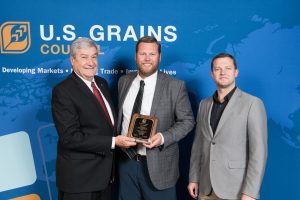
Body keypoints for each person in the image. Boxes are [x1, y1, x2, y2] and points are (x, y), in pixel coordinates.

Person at [52, 37, 136, 200]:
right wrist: (114, 142)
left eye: (94, 56)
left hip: (104, 178)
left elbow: (106, 126)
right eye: (84, 57)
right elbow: (70, 138)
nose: (90, 62)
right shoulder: (63, 91)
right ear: (72, 60)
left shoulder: (102, 83)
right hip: (79, 182)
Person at [117, 36, 195, 200]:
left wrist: (162, 137)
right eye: (142, 54)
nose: (147, 59)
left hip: (159, 165)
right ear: (135, 56)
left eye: (152, 54)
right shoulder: (123, 81)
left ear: (159, 57)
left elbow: (187, 121)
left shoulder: (175, 86)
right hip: (126, 164)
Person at [188, 53, 268, 200]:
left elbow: (258, 153)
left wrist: (250, 192)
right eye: (218, 69)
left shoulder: (252, 104)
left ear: (236, 72)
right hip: (206, 188)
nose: (223, 72)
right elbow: (198, 145)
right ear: (212, 74)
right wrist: (194, 178)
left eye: (228, 68)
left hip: (236, 190)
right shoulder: (204, 104)